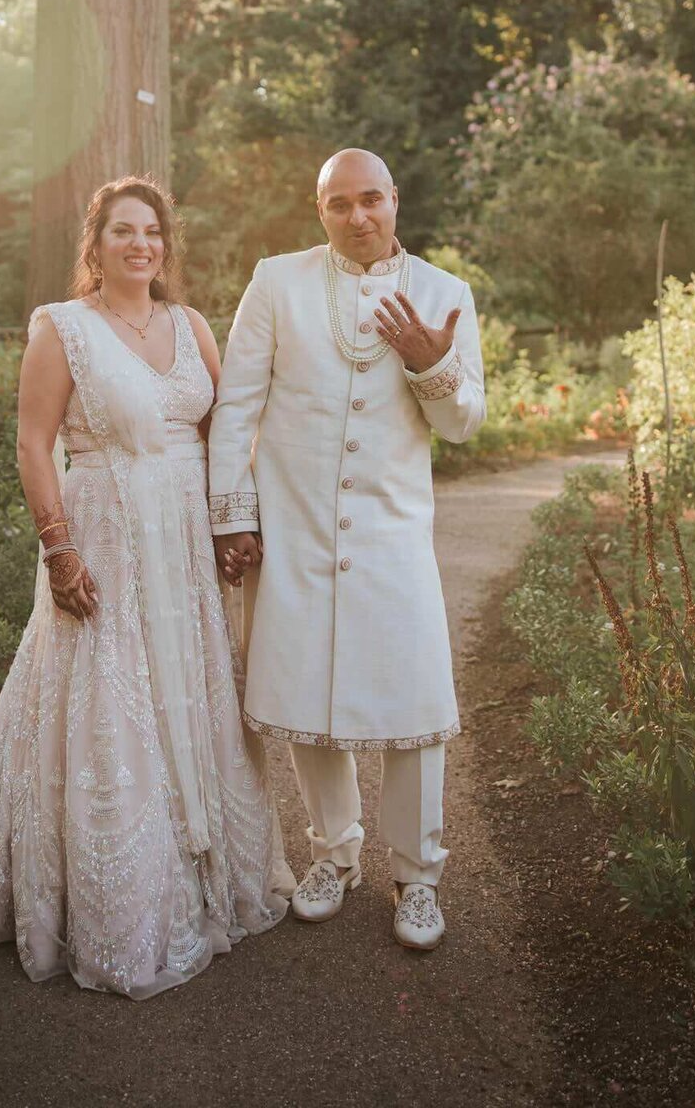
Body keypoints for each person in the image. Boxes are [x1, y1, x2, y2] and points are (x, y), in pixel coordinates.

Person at [0, 176, 289, 997]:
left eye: (153, 231)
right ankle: (115, 899)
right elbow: (33, 444)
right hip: (106, 536)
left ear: (166, 245)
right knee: (109, 696)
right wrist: (58, 550)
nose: (141, 244)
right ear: (93, 245)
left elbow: (226, 428)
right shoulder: (64, 330)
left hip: (183, 545)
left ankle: (209, 873)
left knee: (195, 692)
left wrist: (232, 525)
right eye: (123, 231)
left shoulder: (194, 326)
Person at [207, 148, 486, 949]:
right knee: (304, 698)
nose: (358, 217)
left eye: (372, 200)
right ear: (319, 209)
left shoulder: (444, 293)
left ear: (395, 200)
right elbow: (236, 407)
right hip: (295, 529)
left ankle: (419, 875)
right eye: (340, 204)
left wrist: (433, 366)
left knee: (415, 705)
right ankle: (333, 855)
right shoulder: (278, 282)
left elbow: (465, 423)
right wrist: (233, 516)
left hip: (395, 536)